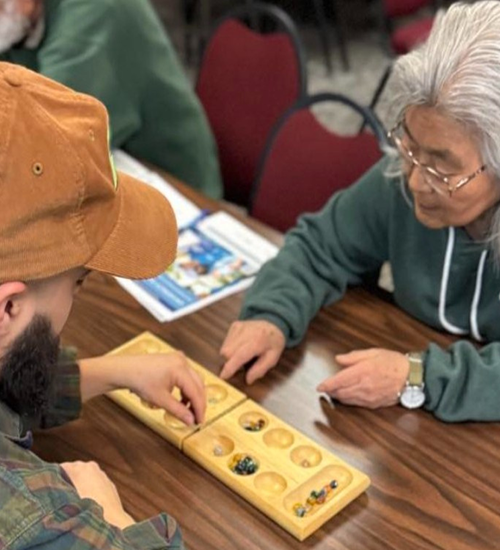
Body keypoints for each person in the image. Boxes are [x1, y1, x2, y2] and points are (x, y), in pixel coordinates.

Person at [220, 1, 500, 423]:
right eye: (410, 146)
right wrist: (271, 313)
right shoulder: (402, 178)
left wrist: (419, 377)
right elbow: (321, 246)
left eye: (443, 166)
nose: (415, 182)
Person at [0, 61, 206, 548]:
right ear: (7, 308)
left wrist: (111, 372)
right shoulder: (39, 521)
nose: (74, 300)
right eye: (77, 283)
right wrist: (109, 517)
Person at [0, 0, 223, 199]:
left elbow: (46, 144)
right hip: (107, 172)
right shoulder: (18, 18)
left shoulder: (96, 12)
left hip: (179, 196)